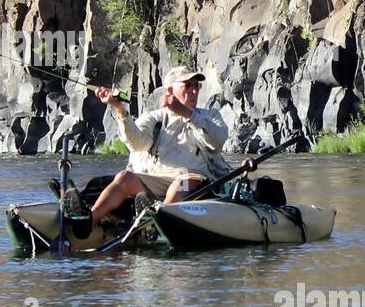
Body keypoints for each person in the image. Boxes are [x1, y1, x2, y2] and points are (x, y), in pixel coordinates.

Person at [88, 66, 249, 226]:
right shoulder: (153, 118)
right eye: (188, 85)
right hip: (156, 178)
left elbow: (217, 141)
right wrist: (119, 108)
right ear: (170, 90)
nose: (195, 91)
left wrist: (186, 113)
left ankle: (154, 224)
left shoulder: (210, 116)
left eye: (196, 86)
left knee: (180, 183)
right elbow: (136, 143)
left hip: (191, 178)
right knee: (124, 177)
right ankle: (89, 220)